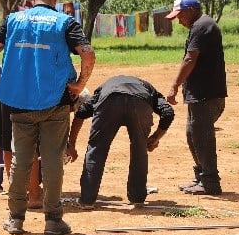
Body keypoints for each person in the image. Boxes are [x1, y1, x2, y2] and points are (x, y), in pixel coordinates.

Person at [0, 0, 95, 235]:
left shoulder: (12, 20)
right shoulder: (65, 22)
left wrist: (4, 80)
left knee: (21, 161)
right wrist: (79, 84)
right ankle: (53, 221)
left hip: (18, 104)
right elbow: (88, 55)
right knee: (53, 161)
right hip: (54, 103)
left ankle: (16, 219)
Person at [65, 75, 175, 207]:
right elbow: (168, 112)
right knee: (139, 150)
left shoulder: (103, 87)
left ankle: (87, 200)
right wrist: (156, 137)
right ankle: (137, 198)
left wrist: (71, 143)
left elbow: (81, 112)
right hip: (140, 102)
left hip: (109, 99)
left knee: (96, 150)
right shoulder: (151, 91)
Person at [165, 0, 227, 195]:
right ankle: (202, 176)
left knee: (202, 136)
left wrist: (174, 85)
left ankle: (210, 182)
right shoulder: (201, 25)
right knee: (193, 135)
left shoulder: (202, 26)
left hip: (205, 94)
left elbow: (190, 58)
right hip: (201, 93)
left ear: (191, 10)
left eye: (179, 15)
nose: (178, 20)